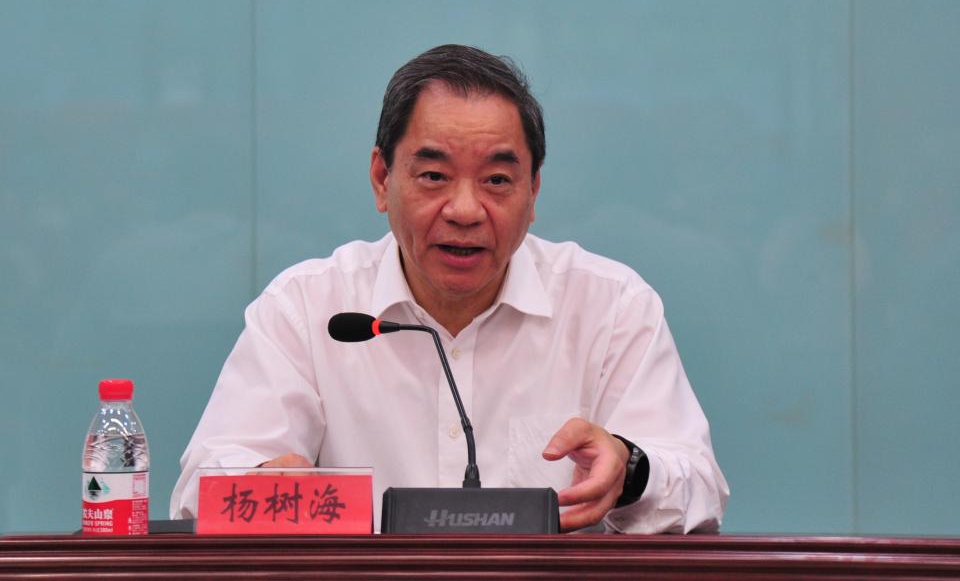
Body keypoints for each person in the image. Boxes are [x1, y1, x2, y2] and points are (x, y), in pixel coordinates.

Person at [171, 44, 728, 533]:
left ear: (534, 192)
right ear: (382, 180)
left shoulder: (610, 307)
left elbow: (700, 488)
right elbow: (201, 488)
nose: (465, 210)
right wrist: (263, 480)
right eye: (434, 176)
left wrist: (630, 469)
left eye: (497, 180)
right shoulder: (306, 308)